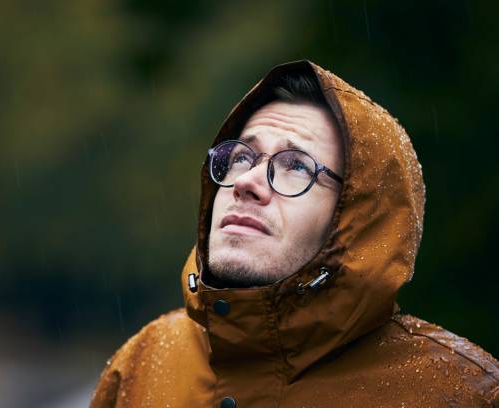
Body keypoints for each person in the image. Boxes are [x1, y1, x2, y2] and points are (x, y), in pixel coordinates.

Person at [89, 60, 499, 407]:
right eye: (240, 157)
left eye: (296, 166)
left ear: (355, 218)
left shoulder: (456, 392)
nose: (247, 181)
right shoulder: (144, 363)